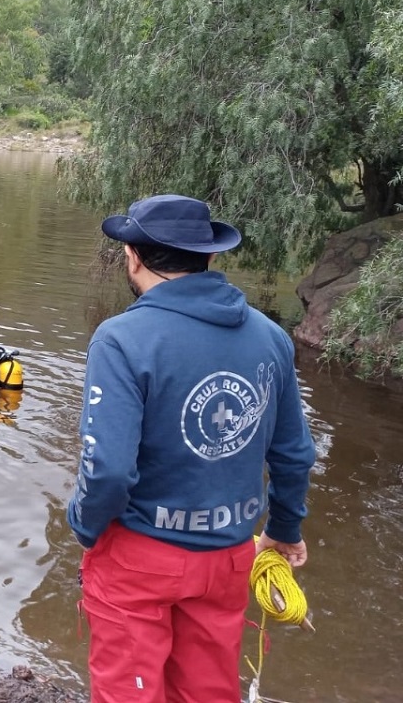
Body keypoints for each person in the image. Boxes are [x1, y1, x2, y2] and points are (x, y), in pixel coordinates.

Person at [66, 194, 316, 703]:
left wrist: (86, 527)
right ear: (211, 257)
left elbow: (109, 469)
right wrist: (284, 531)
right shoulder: (271, 337)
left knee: (129, 692)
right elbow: (294, 453)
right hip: (229, 554)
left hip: (139, 555)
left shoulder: (121, 339)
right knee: (206, 691)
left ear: (133, 256)